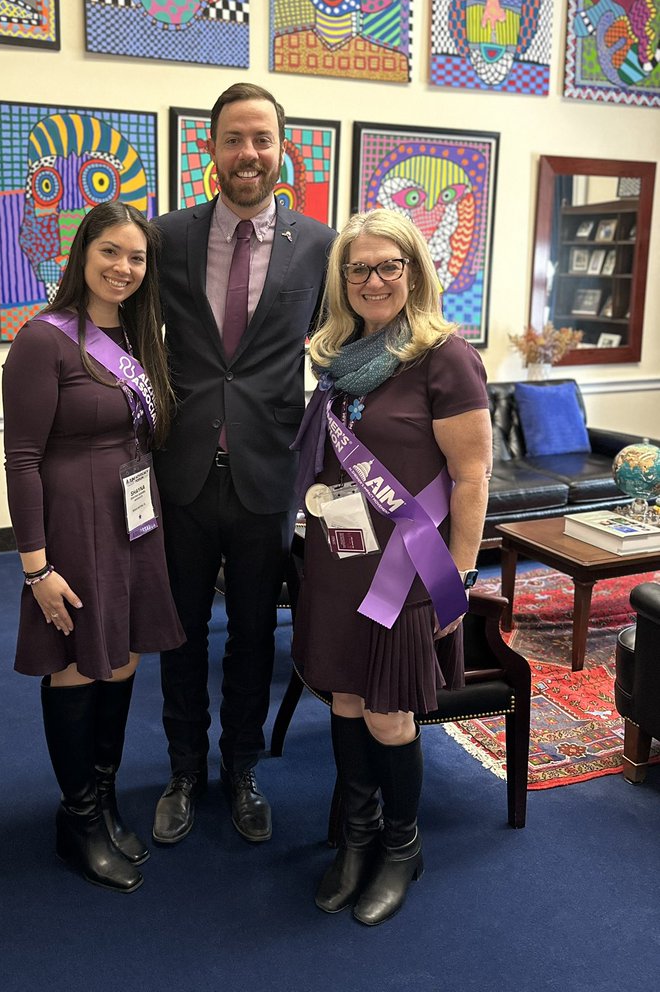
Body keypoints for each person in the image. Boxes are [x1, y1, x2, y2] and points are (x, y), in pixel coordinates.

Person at [291, 208, 491, 925]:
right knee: (345, 699)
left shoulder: (445, 356)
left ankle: (402, 847)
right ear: (341, 281)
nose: (373, 280)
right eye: (358, 269)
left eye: (388, 266)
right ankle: (357, 836)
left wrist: (458, 578)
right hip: (340, 561)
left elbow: (470, 478)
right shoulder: (337, 360)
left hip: (406, 572)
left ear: (413, 271)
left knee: (387, 714)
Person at [152, 83, 336, 846]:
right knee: (181, 632)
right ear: (213, 149)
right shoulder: (164, 238)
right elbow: (130, 339)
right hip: (183, 471)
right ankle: (184, 770)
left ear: (281, 148)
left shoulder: (321, 246)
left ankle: (243, 768)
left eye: (262, 139)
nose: (248, 154)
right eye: (234, 139)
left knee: (257, 635)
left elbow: (341, 350)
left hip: (268, 475)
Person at [2, 202, 184, 894]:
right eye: (111, 252)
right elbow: (21, 460)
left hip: (135, 517)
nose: (123, 268)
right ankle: (77, 817)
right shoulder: (43, 341)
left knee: (125, 650)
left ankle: (103, 798)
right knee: (79, 660)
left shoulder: (140, 339)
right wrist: (36, 567)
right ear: (83, 253)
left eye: (136, 258)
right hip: (73, 523)